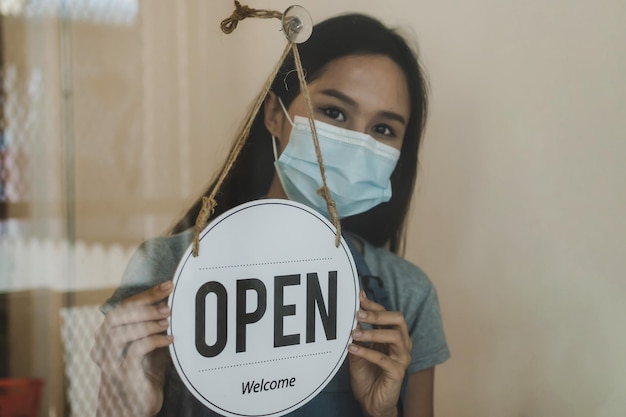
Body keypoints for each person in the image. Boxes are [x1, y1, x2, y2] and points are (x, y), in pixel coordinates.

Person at [91, 12, 450, 417]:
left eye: (383, 129)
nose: (356, 144)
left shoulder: (406, 294)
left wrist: (382, 412)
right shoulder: (167, 269)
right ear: (275, 115)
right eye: (334, 113)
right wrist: (129, 405)